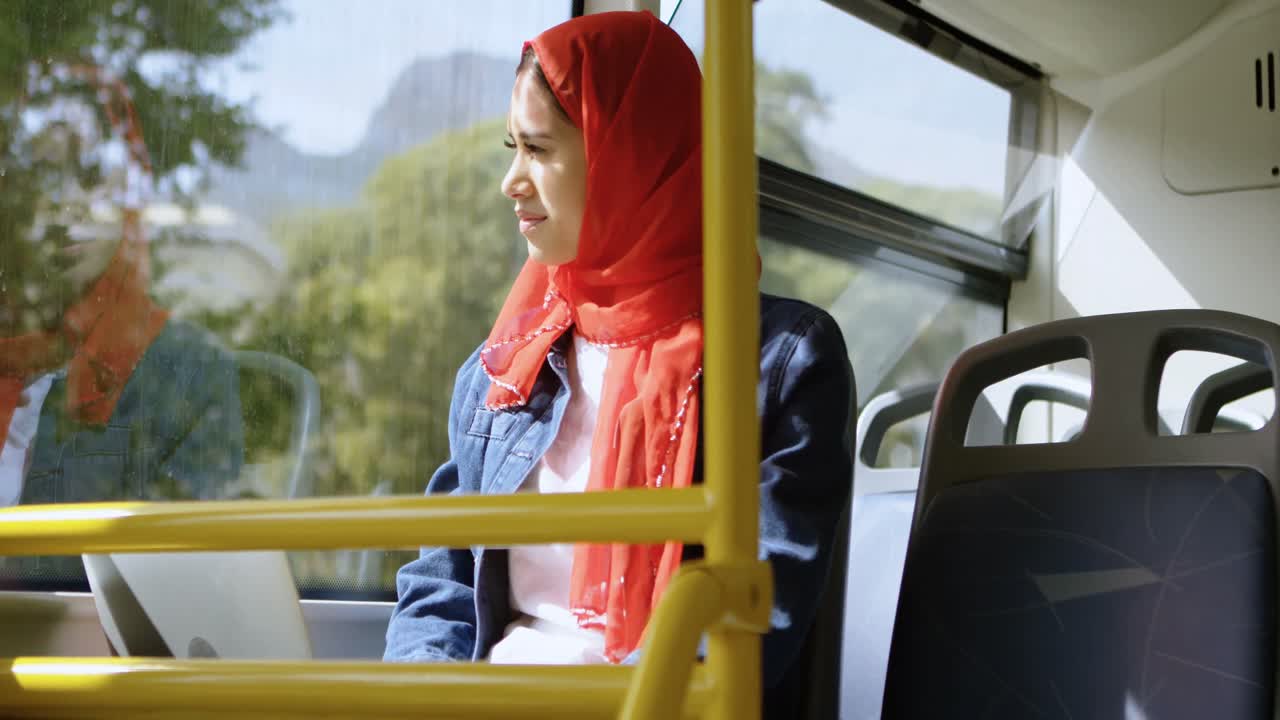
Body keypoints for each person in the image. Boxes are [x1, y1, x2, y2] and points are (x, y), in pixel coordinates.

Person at [384, 9, 854, 706]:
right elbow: (441, 586)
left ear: (627, 156)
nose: (511, 181)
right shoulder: (502, 369)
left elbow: (752, 619)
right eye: (512, 148)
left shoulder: (781, 362)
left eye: (538, 150)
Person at [0, 203, 245, 587]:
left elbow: (178, 584)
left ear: (129, 202)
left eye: (93, 179)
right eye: (49, 177)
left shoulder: (189, 371)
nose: (68, 209)